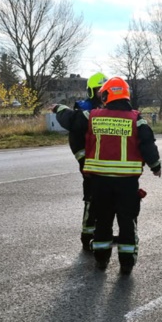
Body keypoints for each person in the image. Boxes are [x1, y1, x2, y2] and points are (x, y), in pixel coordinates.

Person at [82, 77, 161, 273]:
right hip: (127, 182)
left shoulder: (94, 116)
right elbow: (147, 143)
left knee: (103, 221)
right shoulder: (136, 118)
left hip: (100, 182)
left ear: (107, 95)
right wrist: (155, 165)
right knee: (127, 221)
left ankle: (101, 259)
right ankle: (126, 263)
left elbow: (79, 131)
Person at [52, 72, 106, 251]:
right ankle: (87, 236)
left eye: (104, 89)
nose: (102, 93)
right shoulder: (85, 110)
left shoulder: (113, 108)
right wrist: (84, 161)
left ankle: (102, 234)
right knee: (91, 200)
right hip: (91, 164)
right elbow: (74, 134)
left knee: (108, 201)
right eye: (99, 90)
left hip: (108, 164)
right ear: (92, 91)